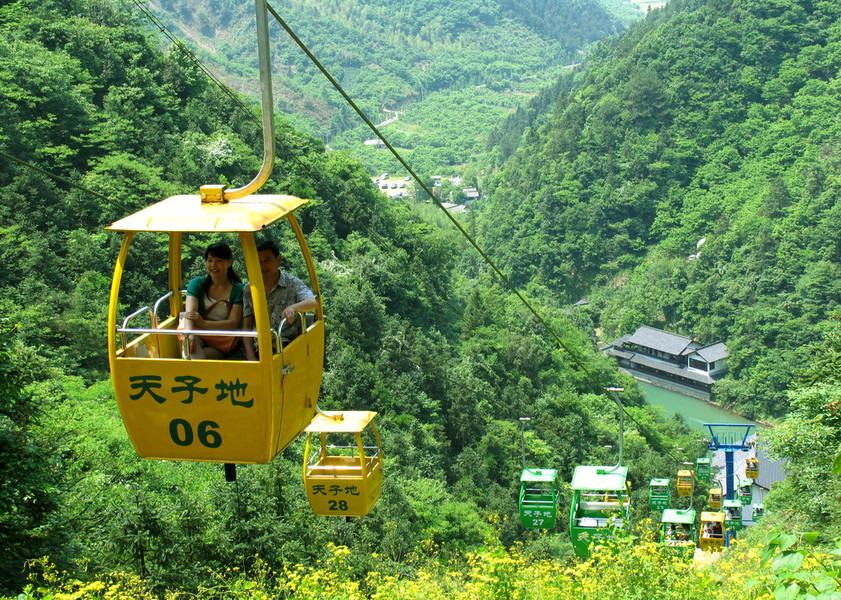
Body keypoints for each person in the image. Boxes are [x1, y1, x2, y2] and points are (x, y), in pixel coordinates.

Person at [242, 240, 317, 360]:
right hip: (260, 348)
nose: (263, 266)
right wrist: (250, 356)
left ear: (278, 260)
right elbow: (247, 326)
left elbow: (312, 302)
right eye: (259, 262)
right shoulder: (249, 290)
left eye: (267, 261)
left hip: (287, 346)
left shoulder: (291, 283)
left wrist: (292, 308)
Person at [184, 242, 244, 359]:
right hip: (199, 334)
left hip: (222, 340)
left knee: (197, 356)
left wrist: (204, 323)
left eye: (219, 261)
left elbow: (233, 323)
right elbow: (190, 314)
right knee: (190, 346)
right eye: (210, 260)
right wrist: (189, 335)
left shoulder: (238, 290)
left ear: (229, 262)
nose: (213, 265)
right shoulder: (197, 284)